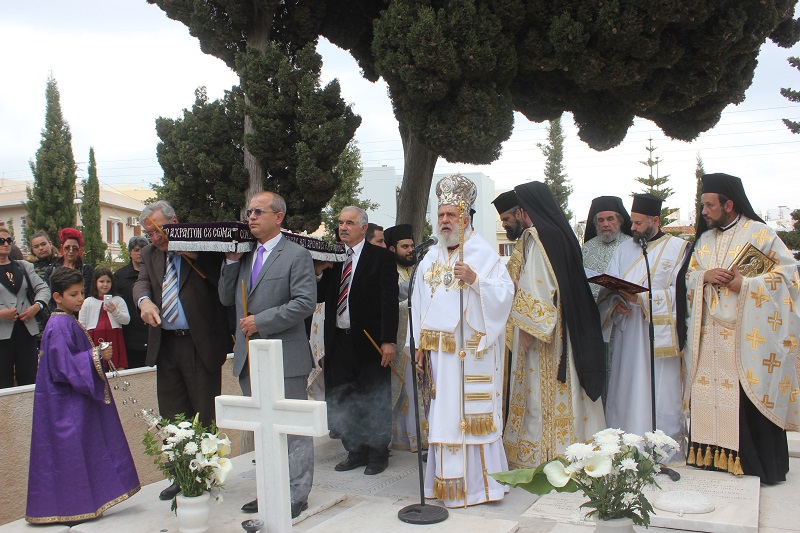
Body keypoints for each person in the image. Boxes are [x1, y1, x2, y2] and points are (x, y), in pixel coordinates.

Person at [683, 173, 800, 483]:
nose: (704, 212)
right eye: (703, 205)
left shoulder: (761, 234)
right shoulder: (704, 240)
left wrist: (745, 285)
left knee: (746, 400)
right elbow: (689, 277)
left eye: (709, 205)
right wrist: (704, 277)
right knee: (709, 396)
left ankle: (754, 464)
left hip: (746, 338)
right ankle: (712, 458)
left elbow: (789, 277)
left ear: (729, 204)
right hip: (709, 339)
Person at [409, 174, 514, 507]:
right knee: (444, 417)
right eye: (441, 214)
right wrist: (418, 346)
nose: (444, 221)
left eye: (451, 215)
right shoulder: (430, 257)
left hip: (470, 353)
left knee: (469, 418)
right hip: (440, 356)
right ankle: (446, 485)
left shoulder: (484, 254)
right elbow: (418, 303)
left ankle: (482, 488)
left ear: (465, 218)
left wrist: (475, 280)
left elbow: (505, 295)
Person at [219, 191, 317, 518]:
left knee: (293, 429)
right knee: (262, 430)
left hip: (285, 357)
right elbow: (225, 298)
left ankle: (296, 493)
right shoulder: (244, 256)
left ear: (278, 217)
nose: (251, 217)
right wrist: (230, 261)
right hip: (250, 358)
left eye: (258, 212)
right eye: (249, 212)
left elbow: (304, 303)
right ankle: (269, 490)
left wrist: (261, 321)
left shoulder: (296, 255)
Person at [503, 182, 606, 468]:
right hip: (566, 327)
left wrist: (527, 328)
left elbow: (537, 284)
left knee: (541, 393)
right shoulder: (563, 234)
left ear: (525, 211)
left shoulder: (536, 236)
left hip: (545, 333)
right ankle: (576, 450)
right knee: (569, 393)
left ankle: (545, 455)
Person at [132, 200, 230, 501]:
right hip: (166, 344)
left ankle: (206, 473)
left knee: (203, 411)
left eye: (158, 230)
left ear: (174, 222)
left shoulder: (202, 246)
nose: (155, 238)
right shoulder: (150, 254)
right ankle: (181, 474)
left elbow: (222, 281)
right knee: (173, 413)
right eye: (149, 233)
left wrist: (191, 253)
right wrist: (144, 302)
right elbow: (141, 284)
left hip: (199, 343)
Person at [26, 267, 140, 524]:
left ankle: (82, 506)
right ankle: (73, 508)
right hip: (66, 406)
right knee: (71, 456)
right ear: (57, 297)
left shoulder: (66, 320)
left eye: (80, 293)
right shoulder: (60, 324)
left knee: (75, 454)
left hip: (67, 402)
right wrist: (97, 355)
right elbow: (62, 367)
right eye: (73, 294)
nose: (80, 299)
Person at [597, 193, 689, 456]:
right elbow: (609, 285)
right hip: (628, 332)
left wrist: (643, 298)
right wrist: (615, 301)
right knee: (627, 390)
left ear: (655, 220)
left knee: (659, 392)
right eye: (632, 222)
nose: (633, 228)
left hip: (659, 336)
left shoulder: (679, 249)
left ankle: (661, 450)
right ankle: (625, 448)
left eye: (638, 223)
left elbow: (682, 294)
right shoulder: (624, 249)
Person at [316, 206, 399, 476]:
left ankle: (378, 453)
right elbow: (320, 295)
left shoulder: (381, 258)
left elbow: (389, 302)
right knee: (345, 396)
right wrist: (319, 271)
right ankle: (355, 451)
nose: (343, 227)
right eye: (341, 222)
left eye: (349, 223)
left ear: (363, 228)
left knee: (373, 396)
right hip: (339, 340)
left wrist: (388, 340)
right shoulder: (334, 257)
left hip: (370, 341)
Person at [581, 196, 633, 403]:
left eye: (610, 219)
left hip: (622, 320)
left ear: (620, 220)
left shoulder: (631, 245)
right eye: (600, 220)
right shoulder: (587, 248)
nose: (605, 224)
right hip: (593, 322)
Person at [384, 223, 427, 453]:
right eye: (405, 246)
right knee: (402, 390)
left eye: (412, 246)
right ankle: (401, 437)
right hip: (400, 342)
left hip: (419, 341)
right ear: (392, 249)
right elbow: (392, 300)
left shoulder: (415, 268)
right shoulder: (388, 271)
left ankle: (421, 437)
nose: (411, 250)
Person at [491, 190, 531, 420]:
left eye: (506, 219)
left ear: (519, 214)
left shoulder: (532, 240)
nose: (504, 225)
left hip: (527, 325)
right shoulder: (521, 243)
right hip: (514, 322)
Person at [0, 227, 50, 388]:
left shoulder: (23, 266)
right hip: (2, 333)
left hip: (26, 329)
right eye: (1, 241)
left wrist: (36, 306)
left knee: (30, 380)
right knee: (3, 382)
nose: (6, 244)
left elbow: (44, 288)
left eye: (9, 240)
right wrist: (1, 313)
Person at [79, 267, 130, 370]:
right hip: (94, 337)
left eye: (108, 281)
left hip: (114, 336)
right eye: (101, 281)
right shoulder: (88, 301)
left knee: (117, 366)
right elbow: (81, 324)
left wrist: (115, 311)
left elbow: (126, 320)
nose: (105, 285)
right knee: (96, 367)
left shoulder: (118, 300)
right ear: (95, 282)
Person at [114, 236, 150, 368]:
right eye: (136, 250)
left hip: (151, 334)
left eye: (143, 249)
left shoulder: (155, 273)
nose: (140, 253)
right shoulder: (119, 276)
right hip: (130, 336)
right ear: (130, 252)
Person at [46, 227, 94, 303]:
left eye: (74, 248)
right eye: (67, 247)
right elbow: (48, 294)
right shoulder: (51, 270)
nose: (71, 251)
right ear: (62, 248)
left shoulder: (86, 269)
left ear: (79, 249)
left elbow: (86, 293)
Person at [27, 231, 58, 338]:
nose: (41, 248)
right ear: (32, 250)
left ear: (50, 244)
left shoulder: (60, 264)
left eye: (43, 244)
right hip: (39, 319)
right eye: (36, 246)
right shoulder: (29, 269)